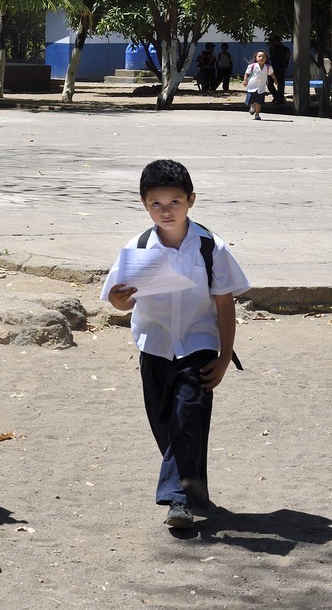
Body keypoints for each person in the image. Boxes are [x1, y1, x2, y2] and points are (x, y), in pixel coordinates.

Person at [102, 159, 248, 530]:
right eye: (156, 204)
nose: (166, 211)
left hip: (199, 345)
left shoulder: (211, 247)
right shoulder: (137, 248)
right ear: (144, 203)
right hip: (154, 346)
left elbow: (224, 303)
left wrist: (224, 356)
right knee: (166, 424)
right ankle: (193, 490)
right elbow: (120, 300)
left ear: (191, 200)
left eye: (175, 202)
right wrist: (119, 299)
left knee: (188, 415)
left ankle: (178, 501)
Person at [242, 50, 272, 120]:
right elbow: (247, 73)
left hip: (261, 87)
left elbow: (272, 73)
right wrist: (245, 80)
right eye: (259, 56)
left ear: (266, 59)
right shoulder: (252, 66)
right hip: (252, 86)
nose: (261, 58)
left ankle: (257, 114)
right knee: (251, 99)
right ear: (256, 58)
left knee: (259, 101)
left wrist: (275, 81)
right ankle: (252, 105)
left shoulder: (267, 67)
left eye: (263, 57)